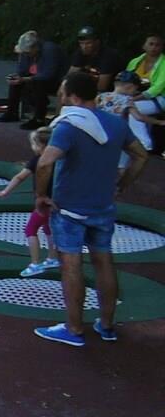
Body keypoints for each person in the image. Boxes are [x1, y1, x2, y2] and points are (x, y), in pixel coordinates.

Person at [33, 71, 150, 346]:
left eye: (63, 92)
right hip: (102, 206)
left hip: (70, 208)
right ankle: (106, 325)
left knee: (71, 265)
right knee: (104, 261)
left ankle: (74, 329)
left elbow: (45, 162)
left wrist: (41, 195)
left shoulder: (69, 126)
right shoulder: (115, 123)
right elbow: (141, 155)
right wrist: (122, 184)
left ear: (73, 96)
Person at [0, 128, 56, 277]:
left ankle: (35, 264)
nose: (33, 147)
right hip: (56, 202)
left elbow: (20, 177)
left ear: (41, 146)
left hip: (43, 203)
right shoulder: (59, 160)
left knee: (30, 230)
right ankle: (52, 258)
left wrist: (5, 191)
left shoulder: (38, 160)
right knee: (49, 228)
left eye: (34, 144)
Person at [3, 31, 67, 126]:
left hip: (56, 81)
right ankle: (12, 112)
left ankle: (39, 119)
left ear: (35, 47)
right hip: (37, 78)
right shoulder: (26, 54)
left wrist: (25, 79)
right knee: (16, 82)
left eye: (27, 52)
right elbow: (22, 70)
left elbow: (48, 74)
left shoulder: (49, 50)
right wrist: (17, 77)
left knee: (39, 83)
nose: (26, 55)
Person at [69, 27, 122, 93]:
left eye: (88, 43)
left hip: (112, 92)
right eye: (81, 43)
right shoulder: (80, 53)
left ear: (97, 42)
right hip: (90, 90)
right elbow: (70, 77)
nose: (84, 47)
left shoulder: (108, 56)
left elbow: (102, 87)